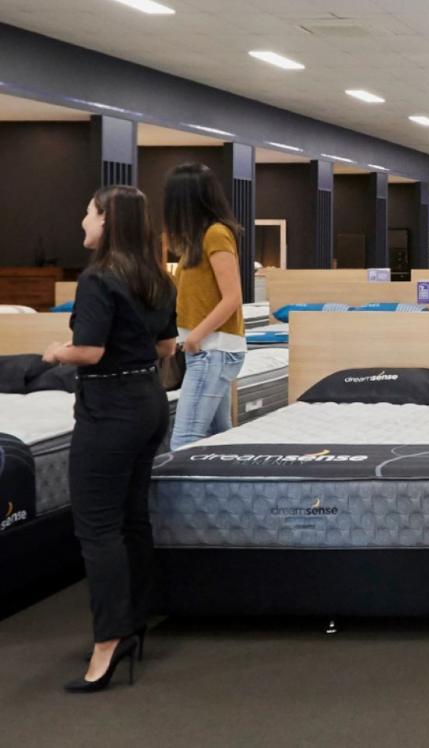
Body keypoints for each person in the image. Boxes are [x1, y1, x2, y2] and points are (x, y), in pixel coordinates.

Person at [45, 185, 177, 692]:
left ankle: (108, 641)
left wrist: (57, 352)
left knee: (97, 528)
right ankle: (133, 622)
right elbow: (167, 346)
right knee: (132, 519)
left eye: (88, 212)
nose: (83, 220)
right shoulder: (155, 278)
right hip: (149, 402)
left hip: (110, 409)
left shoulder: (98, 278)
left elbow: (90, 352)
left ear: (106, 220)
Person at [165, 163, 245, 451]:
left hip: (213, 349)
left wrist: (196, 336)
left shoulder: (216, 234)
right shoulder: (195, 241)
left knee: (184, 440)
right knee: (218, 435)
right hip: (207, 349)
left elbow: (232, 297)